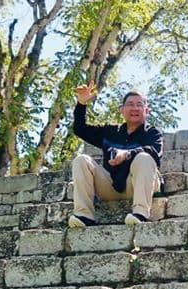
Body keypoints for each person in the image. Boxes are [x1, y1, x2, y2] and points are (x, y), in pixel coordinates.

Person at [68, 83, 163, 228]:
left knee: (144, 157)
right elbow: (80, 129)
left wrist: (128, 154)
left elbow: (155, 153)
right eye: (130, 104)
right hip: (111, 185)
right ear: (122, 110)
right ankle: (84, 216)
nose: (135, 108)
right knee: (81, 160)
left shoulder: (152, 133)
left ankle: (140, 214)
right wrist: (81, 103)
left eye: (139, 105)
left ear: (146, 110)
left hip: (140, 184)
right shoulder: (110, 131)